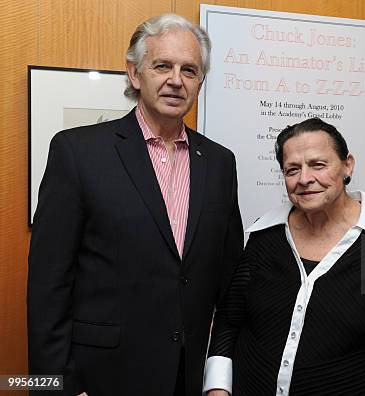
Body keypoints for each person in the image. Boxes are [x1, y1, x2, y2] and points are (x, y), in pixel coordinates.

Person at [27, 14, 243, 396]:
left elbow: (228, 287)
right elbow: (48, 287)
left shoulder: (220, 164)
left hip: (187, 379)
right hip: (99, 380)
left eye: (189, 70)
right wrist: (56, 387)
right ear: (135, 73)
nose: (176, 80)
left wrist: (217, 380)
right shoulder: (77, 153)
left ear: (200, 82)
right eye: (162, 65)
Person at [202, 118, 365, 395]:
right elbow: (229, 319)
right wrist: (217, 388)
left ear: (347, 165)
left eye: (318, 165)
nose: (304, 179)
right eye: (292, 169)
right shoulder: (266, 235)